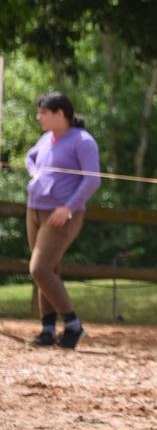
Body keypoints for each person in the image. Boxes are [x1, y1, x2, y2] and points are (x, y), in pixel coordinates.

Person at [24, 92, 101, 349]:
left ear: (60, 114)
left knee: (39, 268)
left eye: (43, 113)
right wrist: (36, 174)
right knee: (49, 271)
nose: (39, 118)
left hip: (60, 215)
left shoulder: (82, 141)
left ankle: (73, 324)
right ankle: (47, 329)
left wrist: (69, 208)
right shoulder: (46, 139)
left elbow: (92, 179)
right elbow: (29, 157)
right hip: (34, 209)